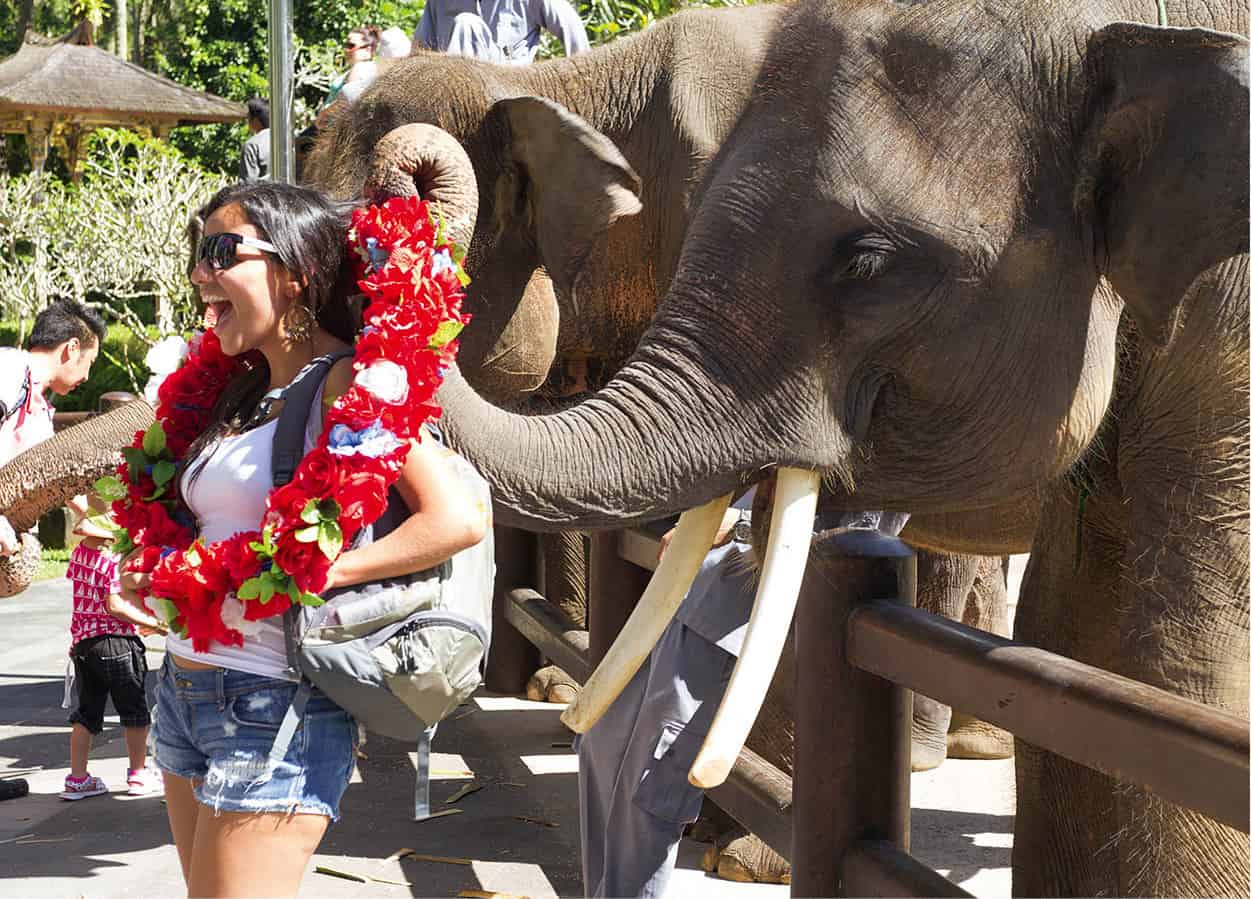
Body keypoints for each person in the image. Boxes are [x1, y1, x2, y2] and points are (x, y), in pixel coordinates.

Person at [119, 180, 487, 897]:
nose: (200, 272)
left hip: (271, 703)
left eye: (221, 250)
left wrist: (320, 571)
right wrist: (155, 573)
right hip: (183, 687)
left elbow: (456, 518)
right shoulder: (242, 393)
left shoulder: (353, 381)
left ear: (292, 272)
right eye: (197, 253)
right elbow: (218, 528)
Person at [576, 481, 909, 898]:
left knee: (651, 780)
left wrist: (736, 525)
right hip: (685, 592)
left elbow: (853, 541)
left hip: (736, 621)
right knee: (601, 744)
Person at [61, 509, 164, 800]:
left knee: (86, 714)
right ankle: (138, 774)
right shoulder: (110, 559)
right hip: (117, 643)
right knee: (134, 713)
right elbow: (114, 605)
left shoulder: (80, 554)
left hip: (83, 646)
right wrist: (153, 623)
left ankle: (78, 778)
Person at [0, 298, 105, 557]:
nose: (88, 377)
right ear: (71, 348)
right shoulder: (9, 368)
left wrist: (96, 519)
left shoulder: (41, 410)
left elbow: (57, 479)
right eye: (90, 363)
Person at [414, 0, 590, 65]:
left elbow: (570, 26)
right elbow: (418, 51)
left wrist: (581, 77)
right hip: (445, 89)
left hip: (510, 86)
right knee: (393, 41)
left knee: (466, 24)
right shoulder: (439, 2)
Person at [238, 97, 270, 182]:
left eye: (248, 117)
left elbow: (247, 185)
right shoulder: (288, 141)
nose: (247, 121)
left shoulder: (252, 145)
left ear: (255, 120)